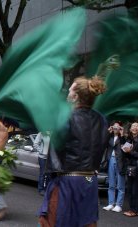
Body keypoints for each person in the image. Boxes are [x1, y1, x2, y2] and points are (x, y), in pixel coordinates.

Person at [38, 76, 109, 227]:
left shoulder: (65, 117)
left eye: (70, 90)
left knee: (56, 221)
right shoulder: (102, 119)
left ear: (75, 96)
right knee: (86, 223)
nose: (68, 93)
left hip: (67, 181)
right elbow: (102, 149)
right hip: (90, 181)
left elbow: (58, 147)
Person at [123, 122, 138, 217]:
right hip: (131, 167)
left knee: (136, 190)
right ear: (130, 129)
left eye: (137, 126)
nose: (134, 127)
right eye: (133, 126)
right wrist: (125, 150)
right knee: (130, 189)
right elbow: (126, 153)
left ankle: (135, 210)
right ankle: (132, 209)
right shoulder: (129, 139)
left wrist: (131, 152)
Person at [102, 121, 127, 213]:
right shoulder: (110, 137)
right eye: (114, 126)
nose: (116, 128)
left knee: (120, 184)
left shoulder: (123, 137)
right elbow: (103, 143)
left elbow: (126, 147)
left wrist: (122, 134)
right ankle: (111, 203)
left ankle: (118, 205)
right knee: (111, 184)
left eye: (118, 126)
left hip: (120, 161)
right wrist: (107, 132)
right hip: (111, 160)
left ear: (120, 128)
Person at [33, 131, 51, 196]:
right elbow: (35, 144)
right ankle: (41, 189)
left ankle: (47, 190)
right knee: (43, 173)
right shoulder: (42, 133)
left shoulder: (54, 133)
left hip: (50, 158)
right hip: (42, 157)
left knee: (49, 174)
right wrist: (41, 151)